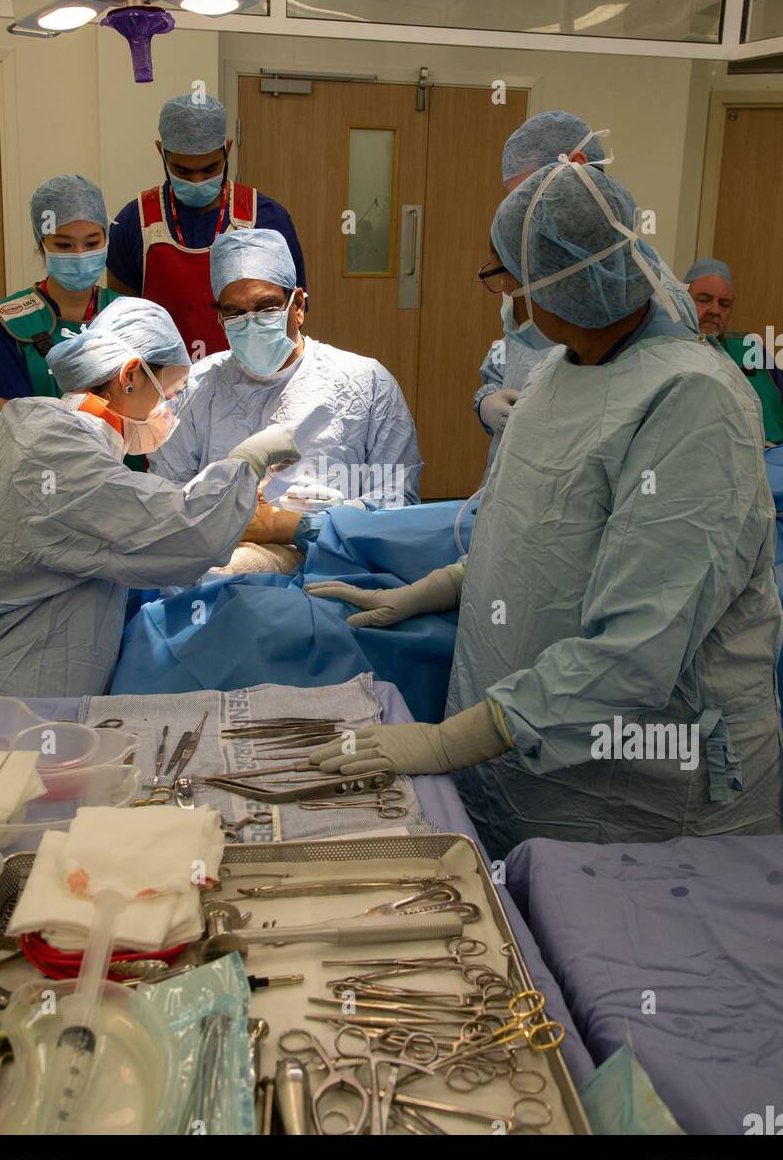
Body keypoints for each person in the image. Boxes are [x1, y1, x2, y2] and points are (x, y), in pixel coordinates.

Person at [308, 161, 782, 857]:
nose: (509, 304)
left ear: (565, 283)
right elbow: (543, 540)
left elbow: (635, 652)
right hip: (530, 779)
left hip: (647, 809)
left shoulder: (692, 404)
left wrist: (445, 742)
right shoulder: (566, 370)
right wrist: (431, 590)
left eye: (510, 282)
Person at [0, 298, 300, 768]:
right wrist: (247, 461)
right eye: (173, 393)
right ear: (131, 376)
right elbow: (185, 532)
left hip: (14, 697)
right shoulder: (53, 452)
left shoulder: (54, 434)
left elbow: (121, 526)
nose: (172, 411)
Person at [475, 112, 697, 471]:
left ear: (577, 167)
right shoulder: (540, 280)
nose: (520, 219)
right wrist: (488, 399)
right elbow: (513, 357)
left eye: (528, 197)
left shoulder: (648, 301)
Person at [150, 229, 422, 518]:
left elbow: (399, 498)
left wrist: (344, 514)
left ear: (299, 306)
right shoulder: (192, 390)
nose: (251, 322)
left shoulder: (367, 385)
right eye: (235, 314)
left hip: (337, 556)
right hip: (229, 557)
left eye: (266, 308)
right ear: (220, 319)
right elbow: (169, 502)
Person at [106, 92, 306, 358]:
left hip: (249, 377)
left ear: (228, 148)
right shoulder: (134, 223)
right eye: (183, 171)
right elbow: (121, 321)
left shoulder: (266, 218)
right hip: (162, 384)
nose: (198, 181)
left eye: (210, 169)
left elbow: (292, 313)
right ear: (161, 151)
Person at [0, 175, 122, 424]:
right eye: (64, 245)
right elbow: (20, 425)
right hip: (41, 462)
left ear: (106, 239)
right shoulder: (7, 324)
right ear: (42, 245)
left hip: (120, 462)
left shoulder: (125, 314)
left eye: (92, 242)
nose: (79, 255)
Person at [685, 257, 783, 446]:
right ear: (681, 299)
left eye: (724, 304)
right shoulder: (668, 354)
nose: (715, 310)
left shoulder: (749, 347)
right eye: (704, 300)